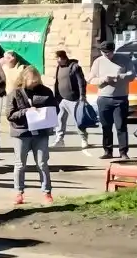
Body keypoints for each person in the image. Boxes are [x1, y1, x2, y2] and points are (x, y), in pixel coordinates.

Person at [8, 66, 59, 204]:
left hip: (40, 132)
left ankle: (47, 192)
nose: (34, 83)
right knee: (20, 164)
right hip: (22, 132)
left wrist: (45, 113)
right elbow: (10, 115)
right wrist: (26, 112)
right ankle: (19, 192)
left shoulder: (46, 92)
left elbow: (55, 109)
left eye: (37, 80)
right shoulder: (15, 93)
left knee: (42, 163)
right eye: (32, 81)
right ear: (24, 79)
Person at [88, 41, 133, 160]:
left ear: (113, 51)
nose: (107, 55)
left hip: (120, 97)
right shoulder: (98, 61)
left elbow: (132, 74)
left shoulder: (124, 59)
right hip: (104, 98)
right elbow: (91, 79)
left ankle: (123, 152)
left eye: (109, 53)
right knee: (106, 126)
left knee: (121, 126)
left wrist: (120, 77)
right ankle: (107, 151)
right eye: (104, 53)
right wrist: (103, 79)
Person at [51, 49, 90, 150]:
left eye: (58, 58)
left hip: (73, 99)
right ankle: (59, 139)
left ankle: (83, 138)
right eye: (56, 59)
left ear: (63, 58)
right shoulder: (58, 67)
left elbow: (81, 82)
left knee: (78, 120)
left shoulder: (74, 67)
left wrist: (82, 96)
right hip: (61, 99)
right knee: (60, 119)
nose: (57, 61)